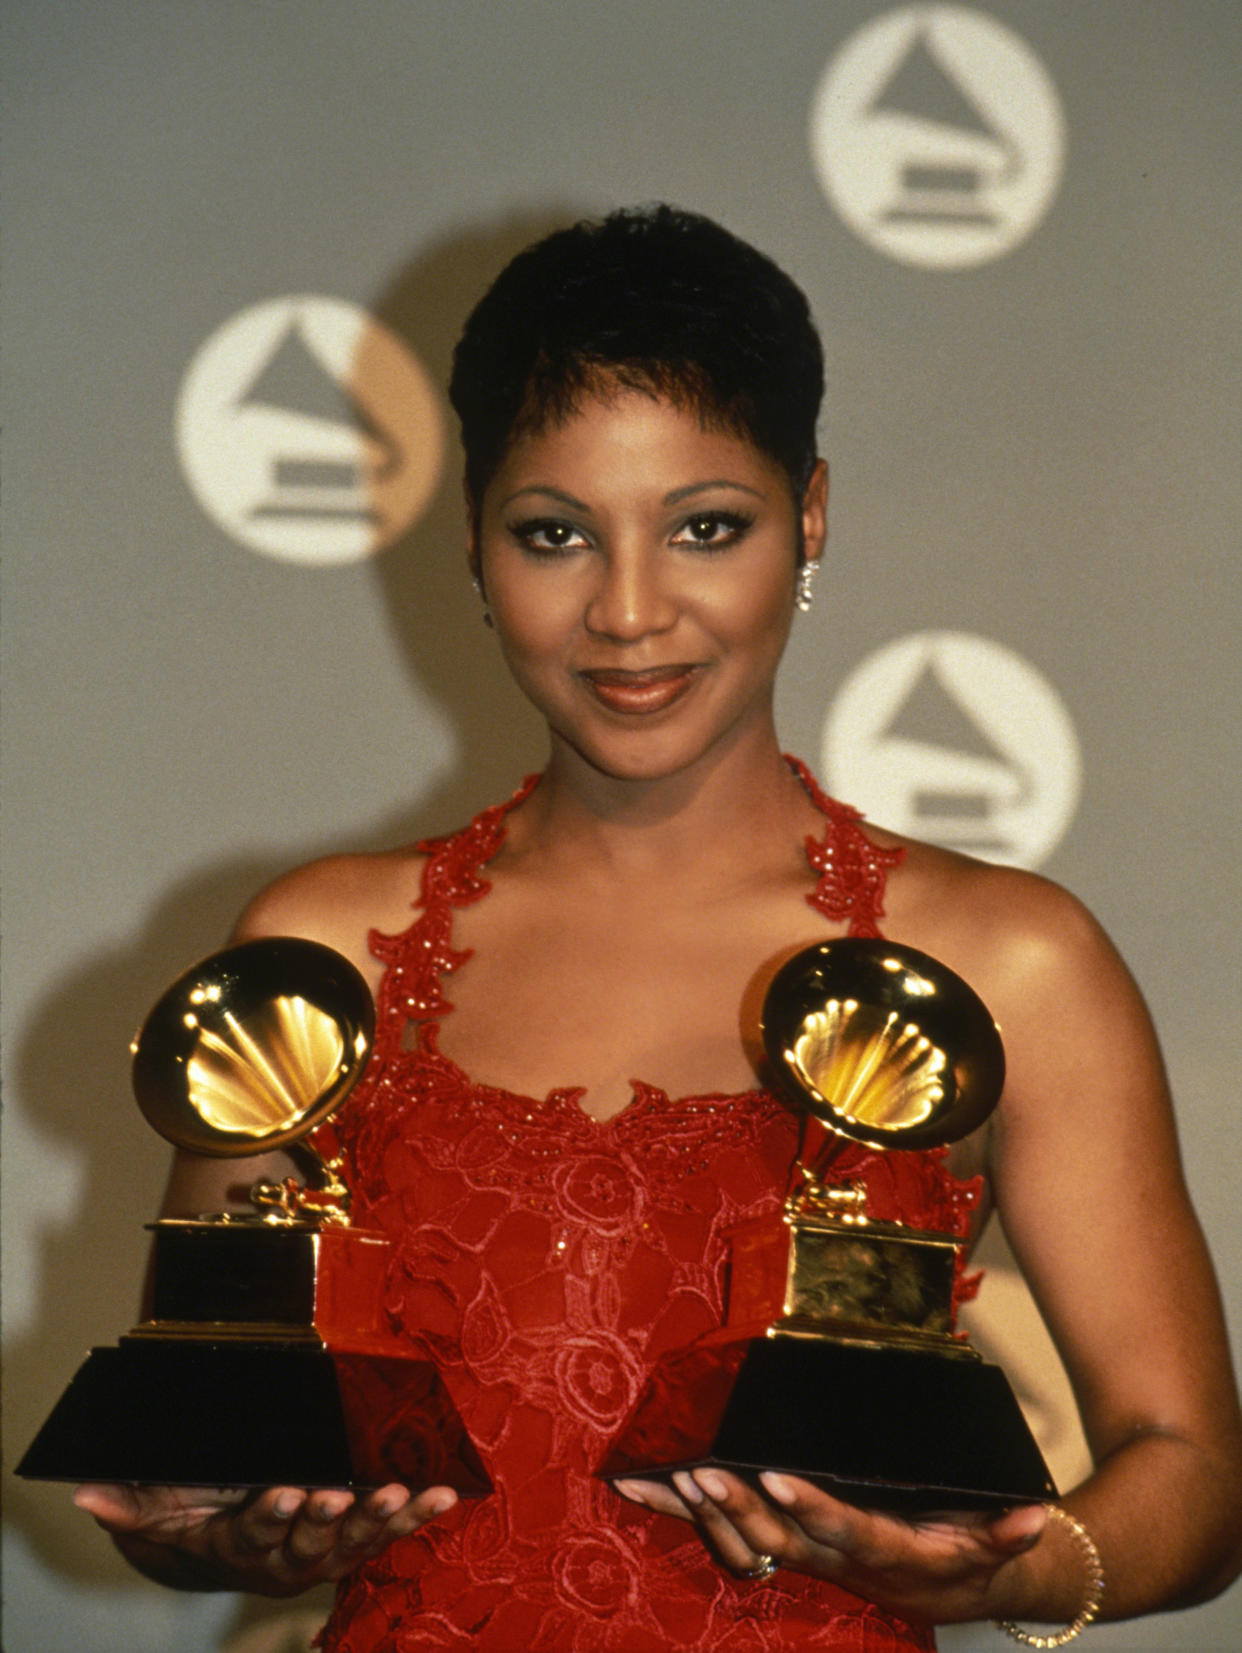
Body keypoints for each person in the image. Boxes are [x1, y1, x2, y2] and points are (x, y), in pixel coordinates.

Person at [75, 206, 1242, 1650]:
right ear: (473, 543)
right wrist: (230, 1541)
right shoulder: (324, 947)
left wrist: (1007, 1573)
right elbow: (203, 1466)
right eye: (555, 533)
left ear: (809, 512)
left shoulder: (1009, 959)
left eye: (706, 527)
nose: (629, 612)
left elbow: (1190, 1474)